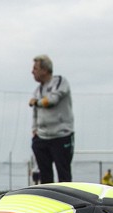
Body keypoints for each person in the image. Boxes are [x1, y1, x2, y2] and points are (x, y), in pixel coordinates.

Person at [27, 54, 74, 183]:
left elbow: (52, 100)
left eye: (35, 68)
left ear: (45, 70)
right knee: (45, 177)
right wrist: (34, 131)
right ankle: (47, 201)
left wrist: (36, 102)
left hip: (61, 135)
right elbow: (35, 114)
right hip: (42, 137)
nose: (32, 72)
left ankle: (67, 201)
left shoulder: (60, 82)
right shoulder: (37, 90)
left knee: (64, 175)